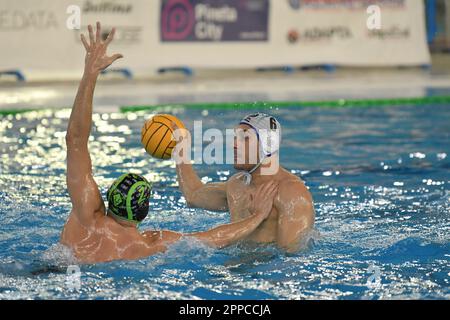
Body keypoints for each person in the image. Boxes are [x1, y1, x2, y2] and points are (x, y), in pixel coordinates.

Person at [60, 22, 278, 264]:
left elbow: (75, 140)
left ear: (108, 196)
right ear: (144, 212)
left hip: (52, 269)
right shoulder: (147, 244)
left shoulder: (85, 215)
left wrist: (90, 74)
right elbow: (213, 238)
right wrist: (258, 216)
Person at [173, 113, 315, 252]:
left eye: (245, 138)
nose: (234, 144)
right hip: (235, 268)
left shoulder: (292, 193)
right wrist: (180, 148)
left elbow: (290, 259)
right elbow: (193, 195)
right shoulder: (237, 184)